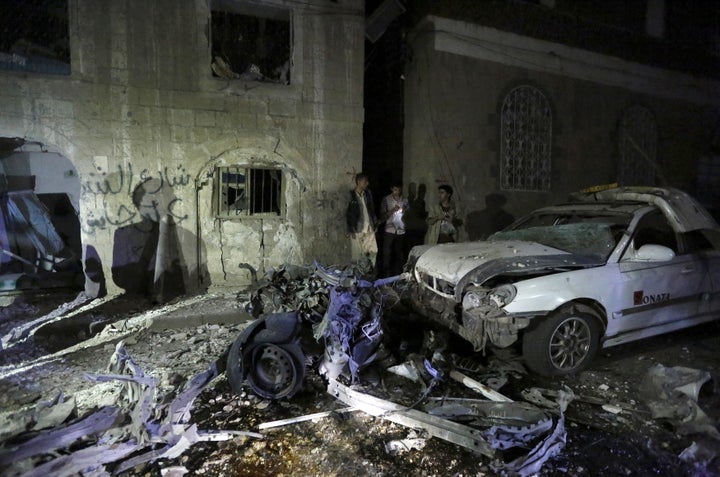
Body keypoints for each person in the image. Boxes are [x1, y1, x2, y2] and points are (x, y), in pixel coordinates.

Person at [346, 172, 378, 273]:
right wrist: (350, 228)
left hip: (369, 228)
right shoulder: (351, 196)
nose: (367, 183)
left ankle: (369, 273)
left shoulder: (367, 194)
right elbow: (347, 213)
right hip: (357, 229)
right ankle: (358, 277)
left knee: (373, 251)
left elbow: (371, 209)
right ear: (359, 182)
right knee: (357, 256)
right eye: (365, 181)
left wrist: (375, 223)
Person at [379, 182, 409, 276]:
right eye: (395, 190)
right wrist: (392, 210)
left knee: (399, 253)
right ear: (392, 189)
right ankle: (386, 274)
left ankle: (398, 274)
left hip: (400, 230)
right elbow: (382, 215)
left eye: (399, 190)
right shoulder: (386, 199)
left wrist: (405, 211)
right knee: (387, 253)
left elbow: (409, 214)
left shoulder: (404, 200)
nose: (397, 192)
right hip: (389, 230)